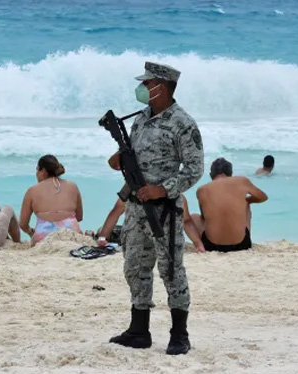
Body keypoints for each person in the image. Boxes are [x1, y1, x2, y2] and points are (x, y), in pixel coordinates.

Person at [107, 61, 204, 355]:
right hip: (136, 209)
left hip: (164, 210)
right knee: (135, 267)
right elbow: (134, 159)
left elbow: (195, 169)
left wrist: (162, 190)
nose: (143, 88)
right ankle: (139, 331)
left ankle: (179, 334)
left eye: (148, 84)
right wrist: (119, 160)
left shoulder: (183, 124)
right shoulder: (140, 119)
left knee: (171, 269)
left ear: (162, 87)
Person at [192, 158, 267, 252]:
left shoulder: (201, 190)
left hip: (212, 246)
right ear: (231, 174)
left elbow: (204, 217)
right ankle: (241, 236)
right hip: (242, 245)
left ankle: (199, 245)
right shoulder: (242, 181)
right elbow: (263, 197)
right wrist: (246, 201)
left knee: (194, 217)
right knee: (246, 205)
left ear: (211, 175)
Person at [92, 196, 205, 252]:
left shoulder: (134, 189)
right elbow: (186, 221)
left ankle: (96, 235)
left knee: (103, 230)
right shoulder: (177, 195)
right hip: (166, 243)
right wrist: (198, 244)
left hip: (138, 239)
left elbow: (116, 212)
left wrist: (102, 237)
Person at [19, 155, 83, 245]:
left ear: (43, 172)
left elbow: (23, 224)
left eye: (37, 169)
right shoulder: (73, 186)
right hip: (71, 235)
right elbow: (79, 217)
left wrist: (30, 232)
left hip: (44, 237)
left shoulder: (32, 190)